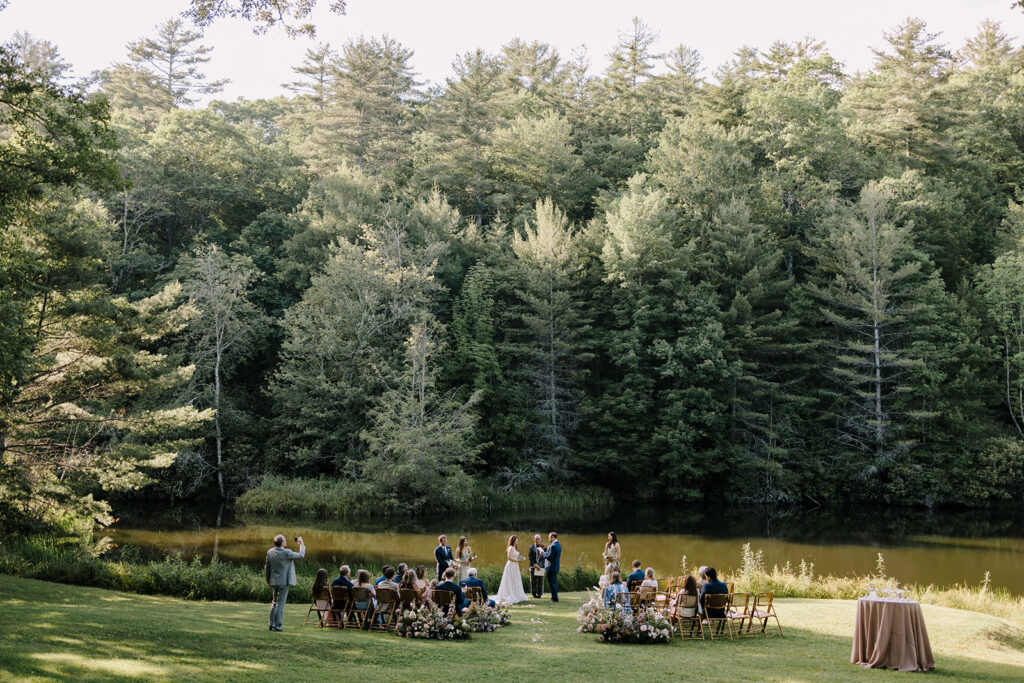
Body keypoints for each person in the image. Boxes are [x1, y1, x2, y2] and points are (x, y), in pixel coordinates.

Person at [264, 534, 305, 632]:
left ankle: (271, 624)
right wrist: (302, 544)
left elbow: (267, 568)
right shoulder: (287, 552)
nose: (286, 541)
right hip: (283, 582)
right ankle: (277, 626)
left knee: (274, 603)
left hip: (273, 581)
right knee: (280, 604)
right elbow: (301, 555)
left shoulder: (270, 552)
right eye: (285, 540)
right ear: (282, 543)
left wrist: (268, 580)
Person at [495, 534, 529, 605]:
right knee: (510, 579)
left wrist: (521, 558)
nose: (517, 541)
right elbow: (509, 558)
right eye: (516, 540)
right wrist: (516, 561)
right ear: (513, 540)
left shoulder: (514, 548)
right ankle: (509, 594)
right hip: (511, 565)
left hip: (515, 566)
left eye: (517, 540)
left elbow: (516, 556)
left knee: (515, 579)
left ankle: (516, 593)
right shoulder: (510, 547)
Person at [543, 532, 562, 603]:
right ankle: (554, 598)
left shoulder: (553, 545)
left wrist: (543, 553)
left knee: (552, 583)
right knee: (553, 583)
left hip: (551, 567)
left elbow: (550, 557)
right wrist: (548, 549)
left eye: (549, 537)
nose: (549, 539)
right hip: (555, 567)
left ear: (553, 537)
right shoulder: (558, 545)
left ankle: (555, 599)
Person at [528, 534, 546, 599]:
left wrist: (539, 565)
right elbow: (530, 557)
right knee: (533, 581)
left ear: (540, 539)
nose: (537, 540)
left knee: (540, 581)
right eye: (536, 539)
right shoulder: (531, 547)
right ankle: (534, 594)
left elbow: (545, 557)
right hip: (533, 566)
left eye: (538, 539)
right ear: (534, 539)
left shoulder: (543, 547)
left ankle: (539, 595)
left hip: (540, 567)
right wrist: (534, 564)